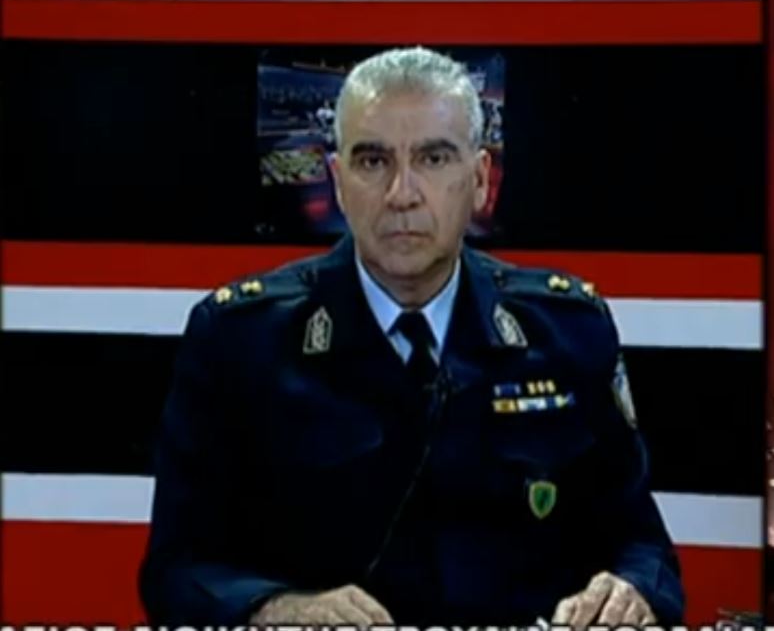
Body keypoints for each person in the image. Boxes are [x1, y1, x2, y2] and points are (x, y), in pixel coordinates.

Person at [139, 46, 684, 628]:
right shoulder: (239, 340)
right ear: (338, 182)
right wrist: (273, 610)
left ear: (479, 180)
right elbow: (177, 571)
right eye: (373, 161)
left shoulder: (569, 330)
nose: (402, 193)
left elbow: (642, 545)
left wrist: (630, 592)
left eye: (433, 158)